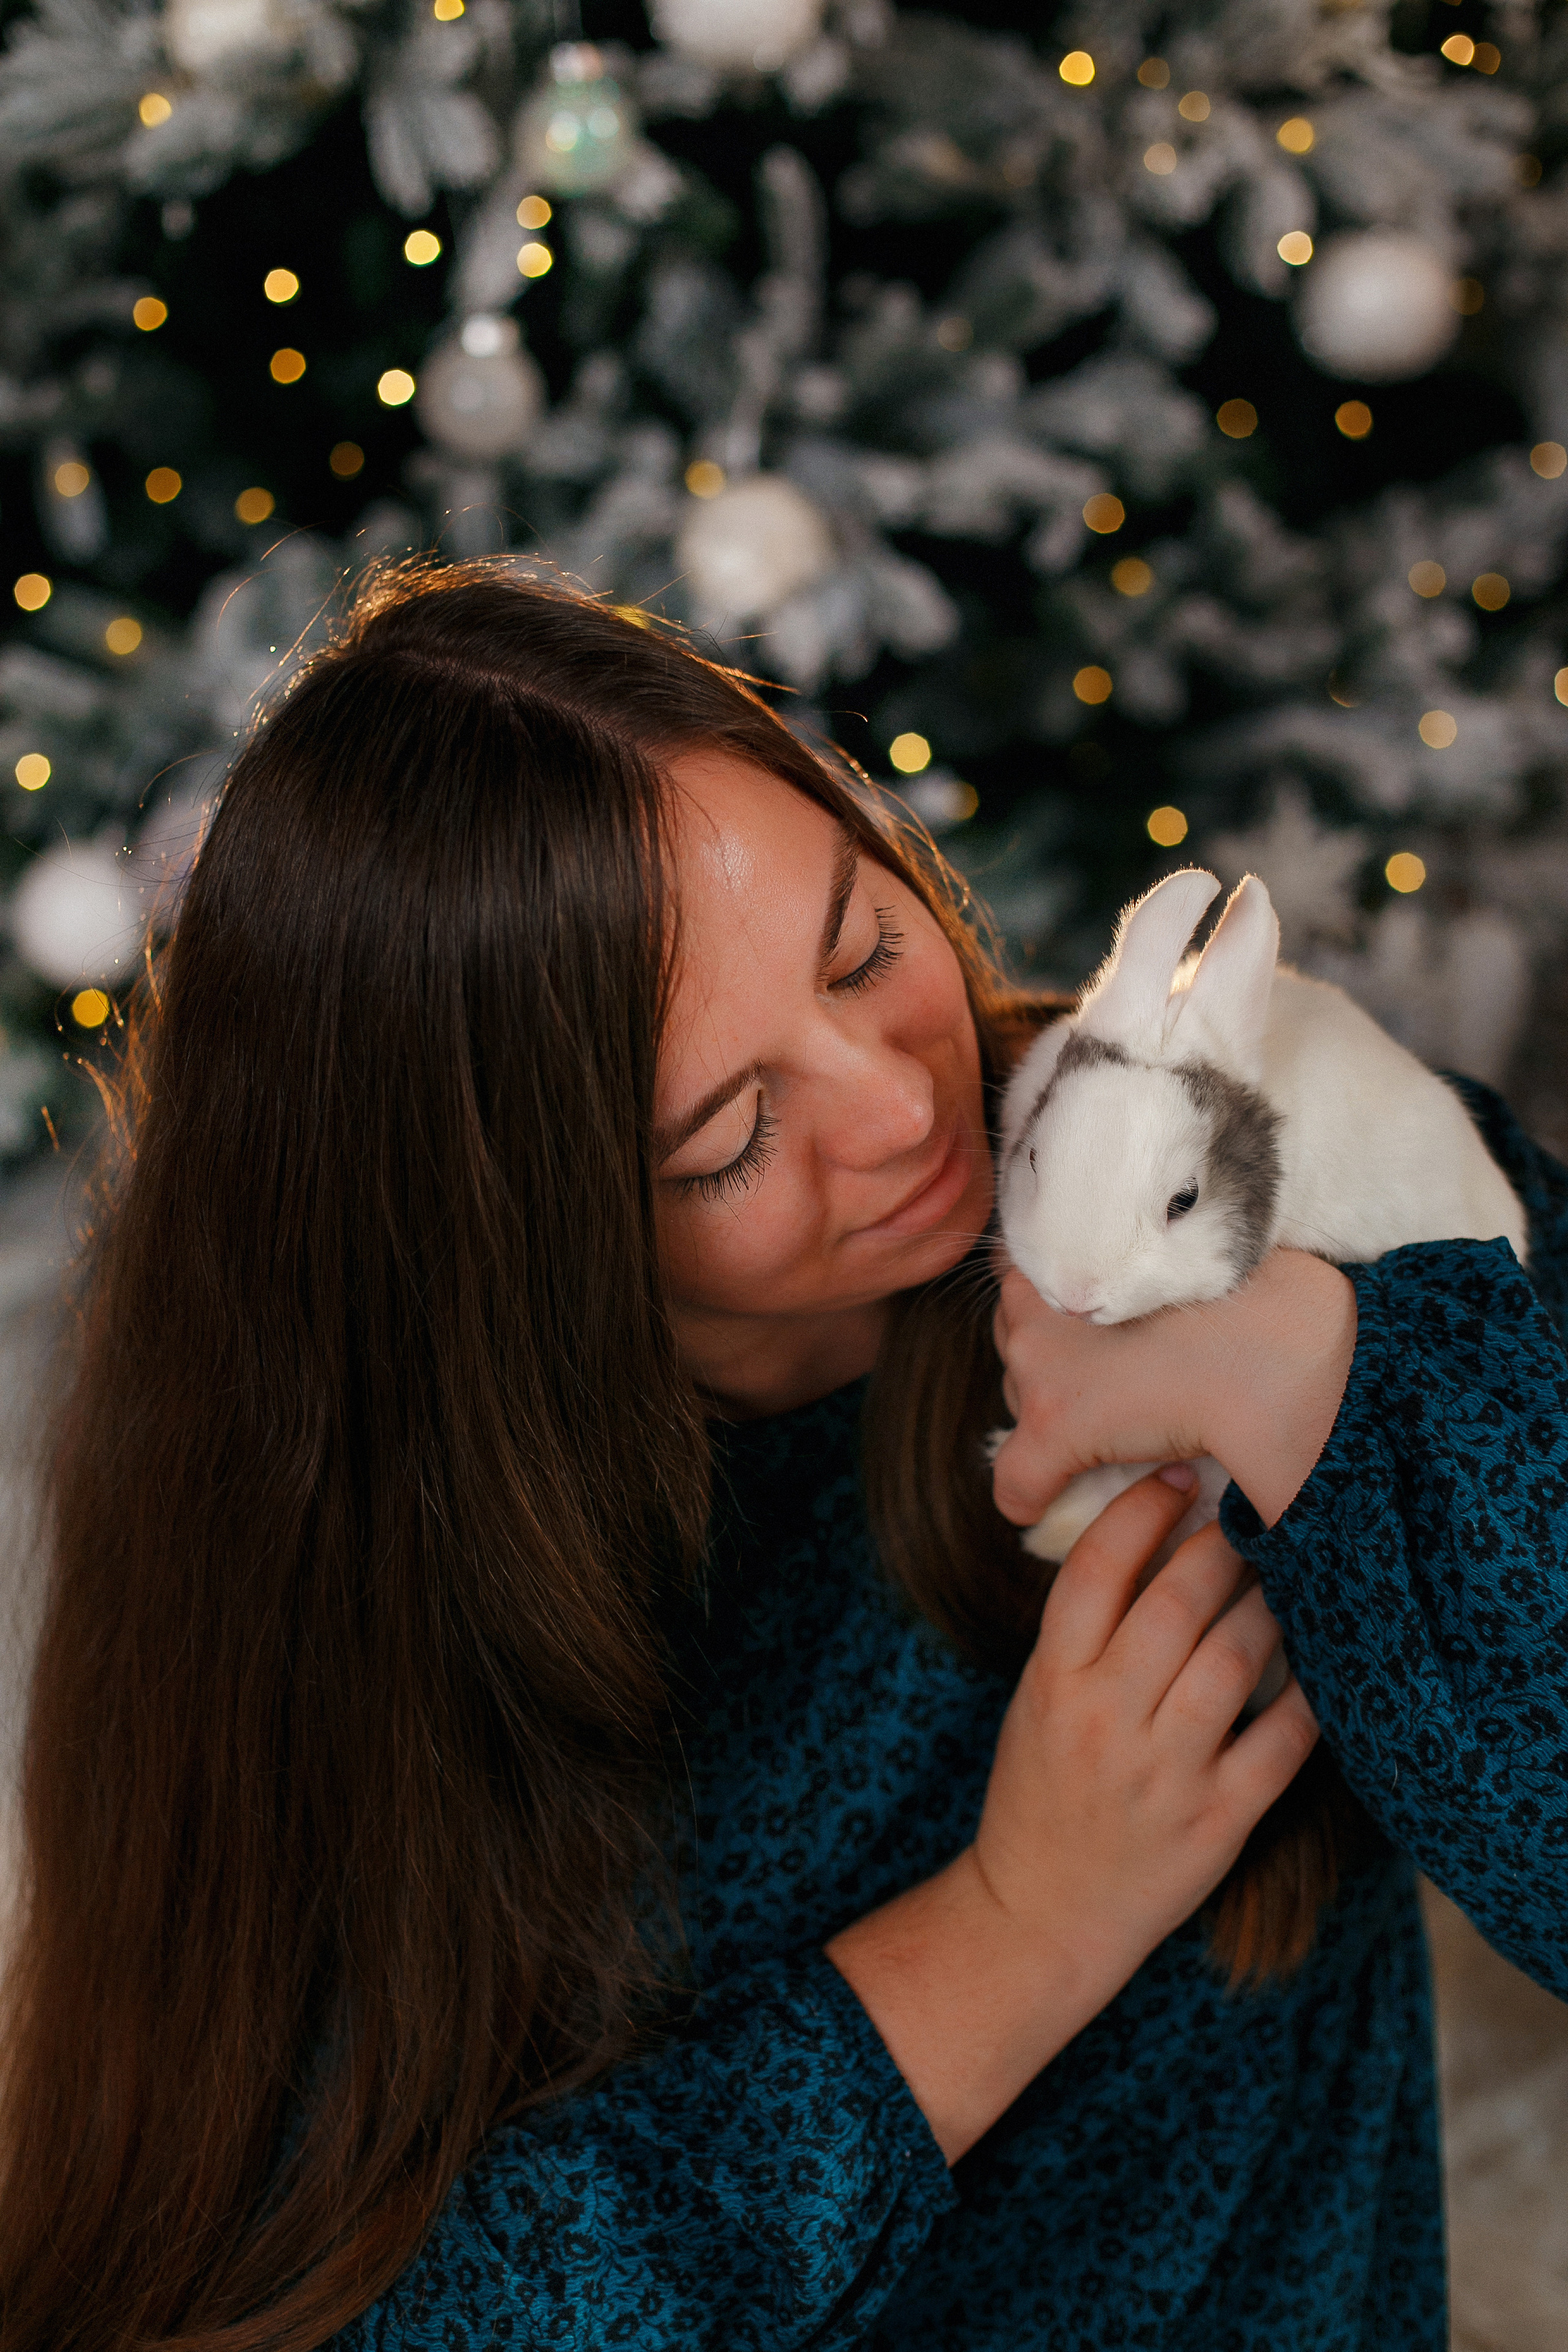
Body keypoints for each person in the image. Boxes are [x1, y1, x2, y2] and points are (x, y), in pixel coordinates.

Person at [1, 565, 1563, 2351]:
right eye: (732, 1132)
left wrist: (1305, 1370)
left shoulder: (1250, 1162)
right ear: (530, 1247)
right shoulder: (365, 1608)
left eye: (861, 945)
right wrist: (1011, 1934)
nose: (905, 1103)